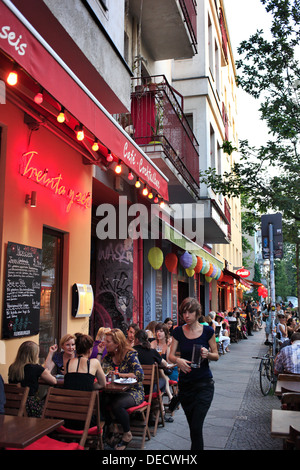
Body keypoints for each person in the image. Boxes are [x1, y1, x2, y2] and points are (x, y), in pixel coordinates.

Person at [169, 297, 218, 450]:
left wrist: (207, 354)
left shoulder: (208, 331)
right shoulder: (178, 331)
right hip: (185, 386)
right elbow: (169, 356)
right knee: (193, 428)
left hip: (204, 385)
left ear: (198, 313)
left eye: (190, 312)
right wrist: (178, 361)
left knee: (196, 426)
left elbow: (216, 355)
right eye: (184, 312)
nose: (186, 316)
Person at [102, 328, 144, 450]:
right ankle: (111, 426)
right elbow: (100, 371)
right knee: (101, 400)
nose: (105, 343)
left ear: (117, 344)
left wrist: (119, 375)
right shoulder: (108, 357)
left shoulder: (130, 354)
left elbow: (140, 375)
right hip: (113, 391)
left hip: (134, 391)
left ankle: (127, 433)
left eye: (108, 341)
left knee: (117, 404)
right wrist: (100, 352)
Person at [63, 333, 106, 429]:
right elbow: (103, 384)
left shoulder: (69, 363)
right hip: (87, 420)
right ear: (89, 350)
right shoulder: (94, 362)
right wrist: (90, 385)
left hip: (67, 419)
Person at [8, 340, 57, 417]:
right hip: (30, 407)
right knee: (52, 396)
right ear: (34, 355)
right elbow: (54, 381)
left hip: (12, 404)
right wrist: (45, 372)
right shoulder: (36, 368)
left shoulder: (12, 367)